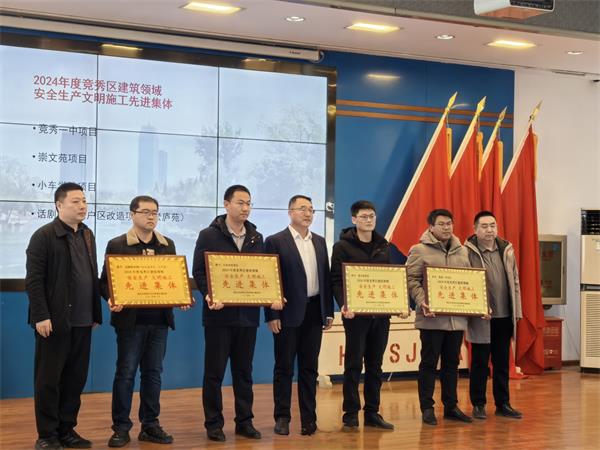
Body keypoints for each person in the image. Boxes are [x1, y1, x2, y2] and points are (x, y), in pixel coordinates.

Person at [192, 185, 282, 442]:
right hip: (218, 316)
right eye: (240, 202)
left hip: (247, 317)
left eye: (249, 203)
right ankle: (213, 423)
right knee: (214, 373)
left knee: (244, 373)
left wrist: (272, 297)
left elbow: (263, 274)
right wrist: (210, 294)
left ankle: (245, 421)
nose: (245, 208)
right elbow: (199, 272)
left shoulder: (256, 237)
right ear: (226, 204)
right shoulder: (208, 235)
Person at [100, 195, 190, 447]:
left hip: (160, 321)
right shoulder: (118, 244)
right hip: (131, 323)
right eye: (146, 212)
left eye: (155, 212)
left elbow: (173, 280)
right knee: (126, 374)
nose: (151, 217)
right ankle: (121, 428)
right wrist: (111, 298)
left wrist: (181, 297)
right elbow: (104, 283)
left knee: (153, 374)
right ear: (132, 214)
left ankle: (150, 425)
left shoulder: (167, 245)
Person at [25, 182, 102, 450]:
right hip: (54, 322)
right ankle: (47, 435)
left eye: (84, 201)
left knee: (75, 379)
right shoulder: (44, 236)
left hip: (83, 321)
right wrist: (41, 316)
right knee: (49, 380)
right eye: (75, 201)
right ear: (59, 205)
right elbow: (34, 281)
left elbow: (91, 275)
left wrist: (96, 310)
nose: (82, 206)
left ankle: (66, 430)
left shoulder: (87, 234)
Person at [264, 195, 334, 436]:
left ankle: (309, 418)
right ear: (290, 211)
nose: (308, 214)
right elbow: (269, 279)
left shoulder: (320, 242)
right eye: (302, 209)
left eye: (311, 210)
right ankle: (282, 417)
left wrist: (327, 311)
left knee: (309, 368)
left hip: (314, 312)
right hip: (286, 313)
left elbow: (325, 279)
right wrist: (271, 313)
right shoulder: (275, 241)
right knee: (284, 367)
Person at [330, 200, 397, 431]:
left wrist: (397, 304)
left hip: (381, 316)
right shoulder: (342, 247)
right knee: (353, 365)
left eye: (372, 216)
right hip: (355, 316)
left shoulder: (383, 245)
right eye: (364, 216)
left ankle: (372, 412)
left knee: (375, 365)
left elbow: (389, 279)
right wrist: (344, 304)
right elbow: (336, 280)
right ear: (354, 219)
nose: (369, 220)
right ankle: (350, 414)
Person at [406, 209, 471, 426]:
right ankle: (427, 407)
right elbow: (411, 280)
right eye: (441, 224)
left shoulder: (463, 251)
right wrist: (423, 300)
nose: (446, 227)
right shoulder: (419, 250)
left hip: (456, 319)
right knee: (429, 363)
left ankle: (451, 406)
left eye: (449, 223)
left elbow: (470, 281)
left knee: (452, 364)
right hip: (431, 318)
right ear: (431, 227)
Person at [465, 211, 523, 420]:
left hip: (504, 316)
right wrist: (477, 308)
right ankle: (478, 404)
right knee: (480, 362)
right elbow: (465, 284)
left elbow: (515, 281)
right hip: (481, 318)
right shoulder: (466, 252)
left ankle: (503, 404)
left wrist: (517, 311)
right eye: (484, 226)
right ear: (475, 229)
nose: (489, 230)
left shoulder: (506, 250)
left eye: (493, 226)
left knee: (501, 362)